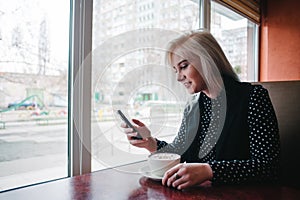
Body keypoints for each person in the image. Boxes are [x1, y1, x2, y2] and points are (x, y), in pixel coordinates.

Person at [121, 30, 280, 190]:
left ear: (208, 61)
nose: (178, 77)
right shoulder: (193, 107)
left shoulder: (253, 97)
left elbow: (268, 167)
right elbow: (180, 152)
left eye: (183, 66)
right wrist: (149, 142)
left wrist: (208, 170)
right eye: (176, 70)